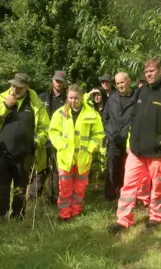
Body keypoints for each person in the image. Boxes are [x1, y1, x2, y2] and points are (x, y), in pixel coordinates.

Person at [106, 57, 161, 233]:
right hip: (136, 151)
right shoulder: (141, 91)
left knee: (158, 186)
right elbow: (133, 118)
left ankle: (155, 216)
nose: (148, 74)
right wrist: (131, 141)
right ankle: (123, 220)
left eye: (152, 71)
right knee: (128, 185)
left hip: (158, 152)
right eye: (146, 72)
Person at [0, 73, 50, 225]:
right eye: (13, 85)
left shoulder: (35, 103)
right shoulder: (0, 98)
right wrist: (6, 105)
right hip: (2, 152)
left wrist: (36, 142)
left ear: (27, 87)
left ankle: (17, 218)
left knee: (20, 189)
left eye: (19, 87)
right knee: (1, 189)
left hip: (24, 155)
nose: (15, 89)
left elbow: (45, 127)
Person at [48, 84, 104, 221]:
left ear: (81, 97)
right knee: (65, 188)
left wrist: (90, 148)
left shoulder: (91, 114)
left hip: (83, 158)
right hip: (65, 158)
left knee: (79, 188)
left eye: (76, 98)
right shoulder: (60, 113)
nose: (73, 101)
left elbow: (98, 134)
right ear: (67, 98)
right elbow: (53, 132)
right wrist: (61, 145)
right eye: (70, 98)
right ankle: (64, 215)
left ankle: (77, 212)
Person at [29, 70, 68, 204]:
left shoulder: (69, 99)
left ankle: (54, 197)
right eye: (56, 80)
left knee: (57, 169)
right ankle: (33, 197)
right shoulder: (42, 97)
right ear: (52, 80)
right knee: (41, 168)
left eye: (61, 81)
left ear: (65, 82)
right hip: (44, 138)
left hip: (60, 138)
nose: (58, 83)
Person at [101, 72, 138, 201]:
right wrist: (109, 133)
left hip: (129, 139)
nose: (120, 85)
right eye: (117, 83)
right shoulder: (112, 98)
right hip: (113, 138)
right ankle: (110, 194)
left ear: (129, 81)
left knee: (129, 168)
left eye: (122, 82)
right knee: (112, 166)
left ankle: (128, 194)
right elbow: (105, 118)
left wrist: (126, 134)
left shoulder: (137, 97)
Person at [85, 87, 108, 193]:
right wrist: (89, 93)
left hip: (105, 139)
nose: (96, 97)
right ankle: (93, 188)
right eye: (94, 95)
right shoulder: (90, 108)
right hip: (93, 139)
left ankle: (101, 188)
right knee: (93, 164)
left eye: (98, 94)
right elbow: (82, 100)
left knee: (103, 164)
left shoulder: (108, 107)